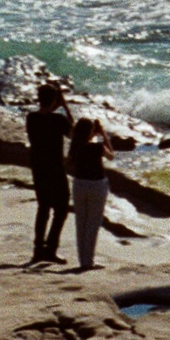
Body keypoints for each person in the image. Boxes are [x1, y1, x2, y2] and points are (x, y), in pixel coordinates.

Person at [24, 83, 72, 264]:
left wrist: (56, 105)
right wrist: (65, 107)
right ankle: (50, 249)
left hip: (38, 168)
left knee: (43, 207)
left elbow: (45, 115)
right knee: (61, 209)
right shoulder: (59, 120)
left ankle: (38, 250)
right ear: (54, 101)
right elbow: (75, 135)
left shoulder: (31, 118)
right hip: (55, 168)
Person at [68, 116, 114, 271]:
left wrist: (93, 134)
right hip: (97, 185)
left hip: (79, 183)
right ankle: (89, 261)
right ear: (91, 132)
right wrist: (103, 135)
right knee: (93, 223)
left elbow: (71, 159)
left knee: (81, 222)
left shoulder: (75, 146)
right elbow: (111, 156)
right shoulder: (98, 147)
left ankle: (83, 261)